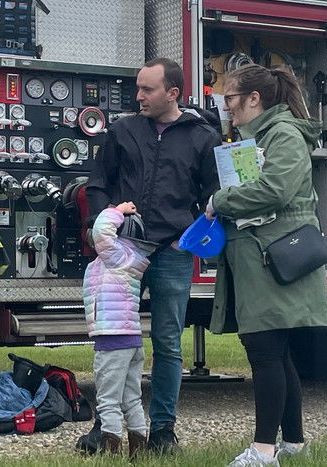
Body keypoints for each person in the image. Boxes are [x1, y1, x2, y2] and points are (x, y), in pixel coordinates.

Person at [84, 57, 221, 453]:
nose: (138, 96)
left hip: (172, 254)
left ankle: (162, 431)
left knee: (167, 342)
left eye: (147, 89)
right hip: (123, 254)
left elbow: (214, 199)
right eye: (138, 88)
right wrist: (102, 228)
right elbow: (98, 184)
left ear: (172, 93)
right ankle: (106, 427)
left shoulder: (202, 137)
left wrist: (188, 240)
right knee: (113, 339)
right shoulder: (123, 130)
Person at [204, 64, 327, 467]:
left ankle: (262, 452)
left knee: (264, 352)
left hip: (269, 259)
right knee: (277, 353)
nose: (226, 106)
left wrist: (219, 202)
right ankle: (293, 443)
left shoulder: (283, 135)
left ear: (254, 99)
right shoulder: (262, 135)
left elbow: (275, 190)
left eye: (230, 98)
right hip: (261, 258)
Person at [81, 202, 155, 457]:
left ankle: (110, 451)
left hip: (112, 340)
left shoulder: (116, 254)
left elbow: (101, 231)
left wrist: (117, 209)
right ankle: (138, 451)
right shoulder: (134, 257)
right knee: (131, 398)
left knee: (108, 400)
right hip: (132, 339)